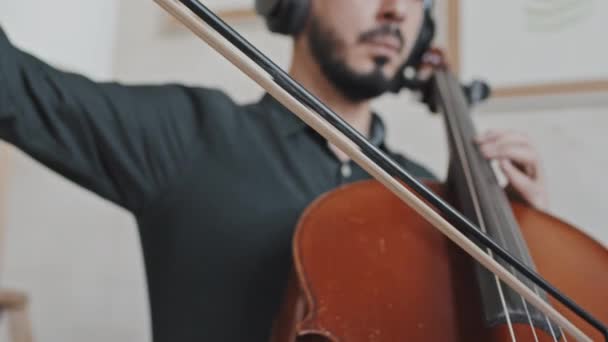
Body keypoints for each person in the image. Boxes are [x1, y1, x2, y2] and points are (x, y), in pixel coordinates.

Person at [0, 0, 548, 341]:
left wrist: (531, 242)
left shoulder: (431, 199)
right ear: (294, 5)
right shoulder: (189, 134)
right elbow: (16, 88)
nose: (395, 9)